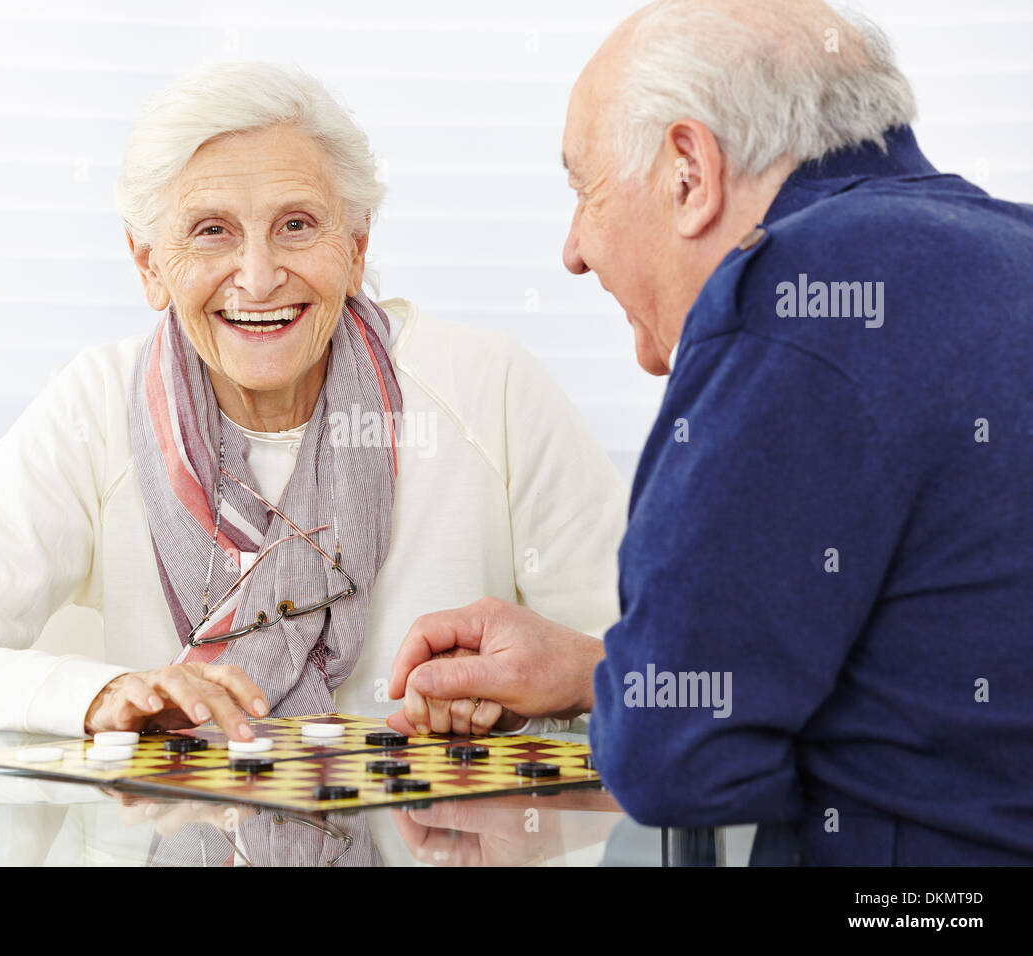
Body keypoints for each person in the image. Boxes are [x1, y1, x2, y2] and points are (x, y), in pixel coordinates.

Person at [387, 0, 1033, 865]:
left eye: (586, 190)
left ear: (689, 171)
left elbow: (673, 764)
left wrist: (646, 708)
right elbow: (940, 684)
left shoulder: (791, 295)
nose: (573, 251)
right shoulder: (1005, 247)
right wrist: (599, 673)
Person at [0, 61, 626, 744]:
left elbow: (656, 666)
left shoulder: (490, 389)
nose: (257, 276)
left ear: (356, 247)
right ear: (148, 264)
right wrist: (94, 695)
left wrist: (542, 699)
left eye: (297, 225)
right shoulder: (94, 408)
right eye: (210, 231)